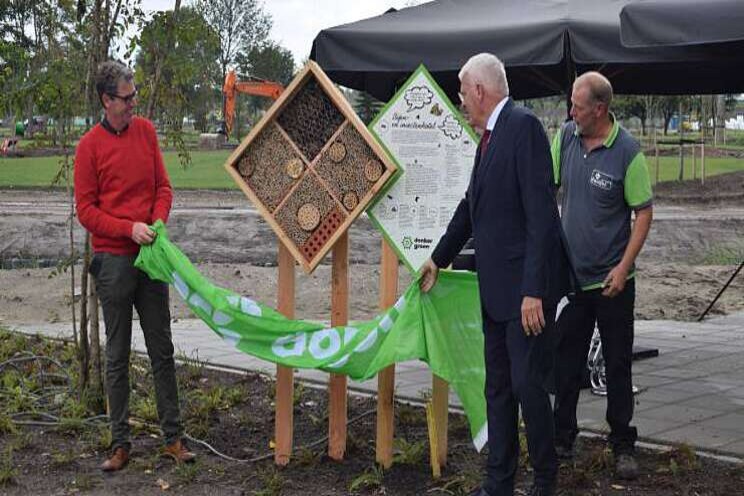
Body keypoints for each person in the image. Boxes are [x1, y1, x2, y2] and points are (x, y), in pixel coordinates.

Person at [420, 53, 571, 496]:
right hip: (495, 296)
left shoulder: (522, 128)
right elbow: (472, 207)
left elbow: (542, 218)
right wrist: (438, 257)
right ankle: (498, 483)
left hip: (522, 297)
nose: (461, 100)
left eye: (463, 92)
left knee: (527, 389)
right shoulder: (488, 138)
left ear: (481, 91)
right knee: (499, 393)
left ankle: (545, 480)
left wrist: (533, 291)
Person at [74, 60, 195, 472]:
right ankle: (120, 444)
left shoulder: (146, 132)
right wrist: (129, 228)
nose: (133, 103)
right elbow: (86, 212)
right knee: (117, 354)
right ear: (107, 101)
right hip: (113, 262)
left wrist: (157, 224)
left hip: (151, 257)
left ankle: (173, 439)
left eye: (135, 94)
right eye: (126, 98)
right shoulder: (89, 147)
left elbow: (164, 187)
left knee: (162, 348)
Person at [551, 71, 653, 480]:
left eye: (577, 105)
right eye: (571, 104)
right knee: (566, 364)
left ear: (600, 109)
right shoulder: (566, 138)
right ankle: (562, 440)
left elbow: (643, 213)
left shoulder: (628, 151)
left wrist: (623, 267)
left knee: (617, 364)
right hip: (573, 283)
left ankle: (623, 444)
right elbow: (547, 188)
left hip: (613, 285)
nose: (571, 111)